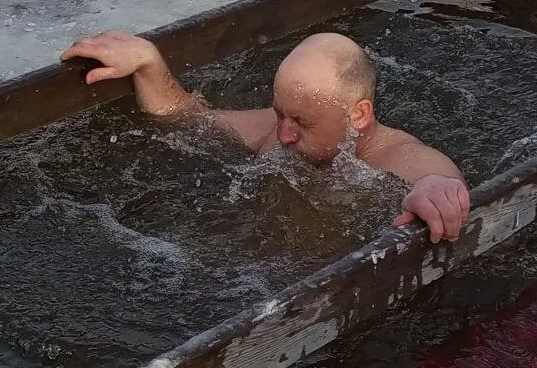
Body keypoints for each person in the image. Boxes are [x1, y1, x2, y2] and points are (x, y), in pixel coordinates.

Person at [60, 30, 471, 243]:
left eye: (303, 123)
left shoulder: (396, 157)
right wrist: (149, 62)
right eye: (279, 114)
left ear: (358, 114)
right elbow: (187, 117)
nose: (284, 134)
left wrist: (436, 189)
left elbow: (435, 177)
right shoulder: (279, 130)